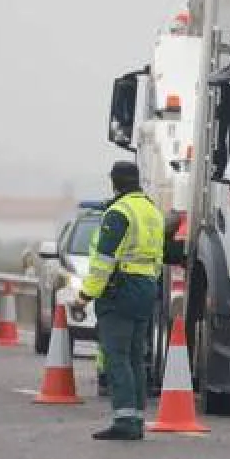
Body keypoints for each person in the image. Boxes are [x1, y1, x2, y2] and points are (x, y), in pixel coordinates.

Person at [71, 161, 166, 440]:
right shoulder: (151, 210)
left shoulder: (119, 212)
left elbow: (103, 261)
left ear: (114, 182)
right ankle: (135, 418)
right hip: (145, 287)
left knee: (117, 356)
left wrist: (85, 295)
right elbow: (157, 257)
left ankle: (124, 420)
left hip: (120, 288)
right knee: (136, 356)